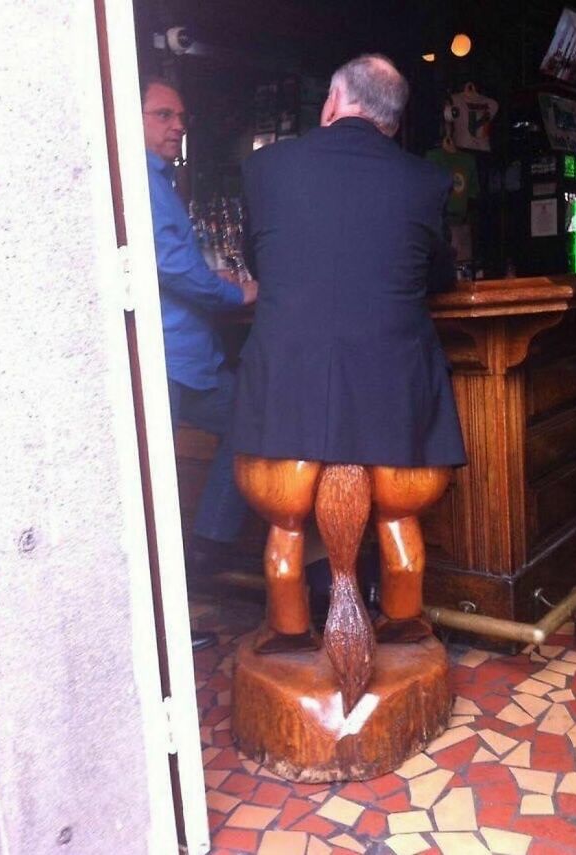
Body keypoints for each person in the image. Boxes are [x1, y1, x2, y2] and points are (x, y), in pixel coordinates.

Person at [232, 55, 466, 654]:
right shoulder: (426, 181)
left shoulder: (265, 168)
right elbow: (439, 274)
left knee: (284, 523)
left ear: (333, 101)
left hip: (288, 390)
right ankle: (406, 627)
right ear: (390, 121)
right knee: (398, 516)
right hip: (395, 396)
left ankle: (288, 632)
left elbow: (260, 261)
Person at [141, 77, 258, 633]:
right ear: (132, 118)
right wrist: (237, 292)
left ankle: (206, 548)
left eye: (181, 115)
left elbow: (175, 263)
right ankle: (165, 611)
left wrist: (213, 279)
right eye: (163, 115)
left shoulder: (161, 181)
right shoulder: (142, 180)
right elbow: (172, 268)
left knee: (248, 419)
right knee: (152, 480)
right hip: (164, 355)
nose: (178, 125)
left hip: (191, 354)